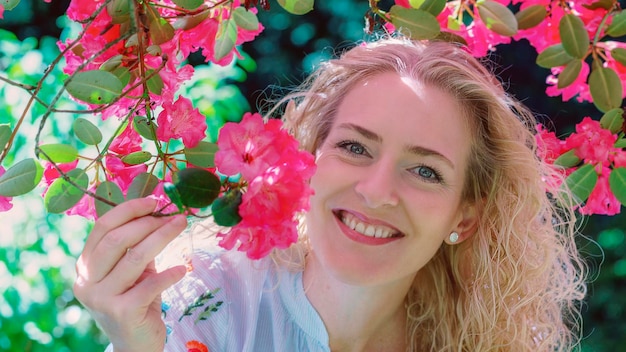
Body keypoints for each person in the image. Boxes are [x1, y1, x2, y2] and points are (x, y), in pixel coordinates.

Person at [74, 37, 587, 351]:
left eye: (426, 171)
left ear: (466, 217)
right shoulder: (207, 300)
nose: (376, 191)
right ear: (306, 161)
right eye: (355, 147)